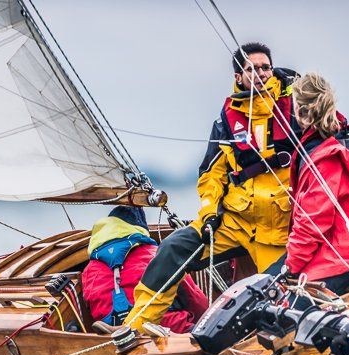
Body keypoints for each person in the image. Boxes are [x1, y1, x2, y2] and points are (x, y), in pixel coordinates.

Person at [123, 42, 301, 332]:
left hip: (279, 229)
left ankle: (271, 340)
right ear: (238, 77)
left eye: (265, 67)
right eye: (251, 69)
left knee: (273, 290)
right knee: (172, 248)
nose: (260, 74)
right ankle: (135, 328)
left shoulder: (295, 110)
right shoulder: (226, 121)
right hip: (234, 222)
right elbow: (211, 175)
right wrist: (209, 213)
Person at [282, 73, 349, 294]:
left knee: (274, 299)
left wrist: (290, 268)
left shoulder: (324, 156)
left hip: (341, 258)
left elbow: (312, 224)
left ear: (299, 110)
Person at [82, 206, 208, 334]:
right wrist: (205, 319)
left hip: (111, 335)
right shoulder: (156, 254)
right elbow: (196, 300)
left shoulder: (89, 271)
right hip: (166, 328)